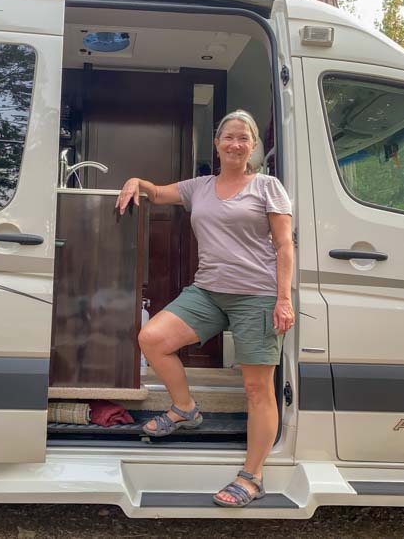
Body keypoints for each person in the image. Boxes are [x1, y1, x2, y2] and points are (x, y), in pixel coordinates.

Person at [115, 109, 294, 508]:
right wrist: (135, 182)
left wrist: (284, 298)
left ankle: (253, 475)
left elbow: (284, 245)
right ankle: (185, 407)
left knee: (256, 388)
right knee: (153, 338)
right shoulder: (200, 187)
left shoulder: (267, 187)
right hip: (209, 291)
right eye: (228, 137)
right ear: (217, 143)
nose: (235, 144)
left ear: (252, 147)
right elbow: (158, 192)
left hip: (257, 295)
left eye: (243, 139)